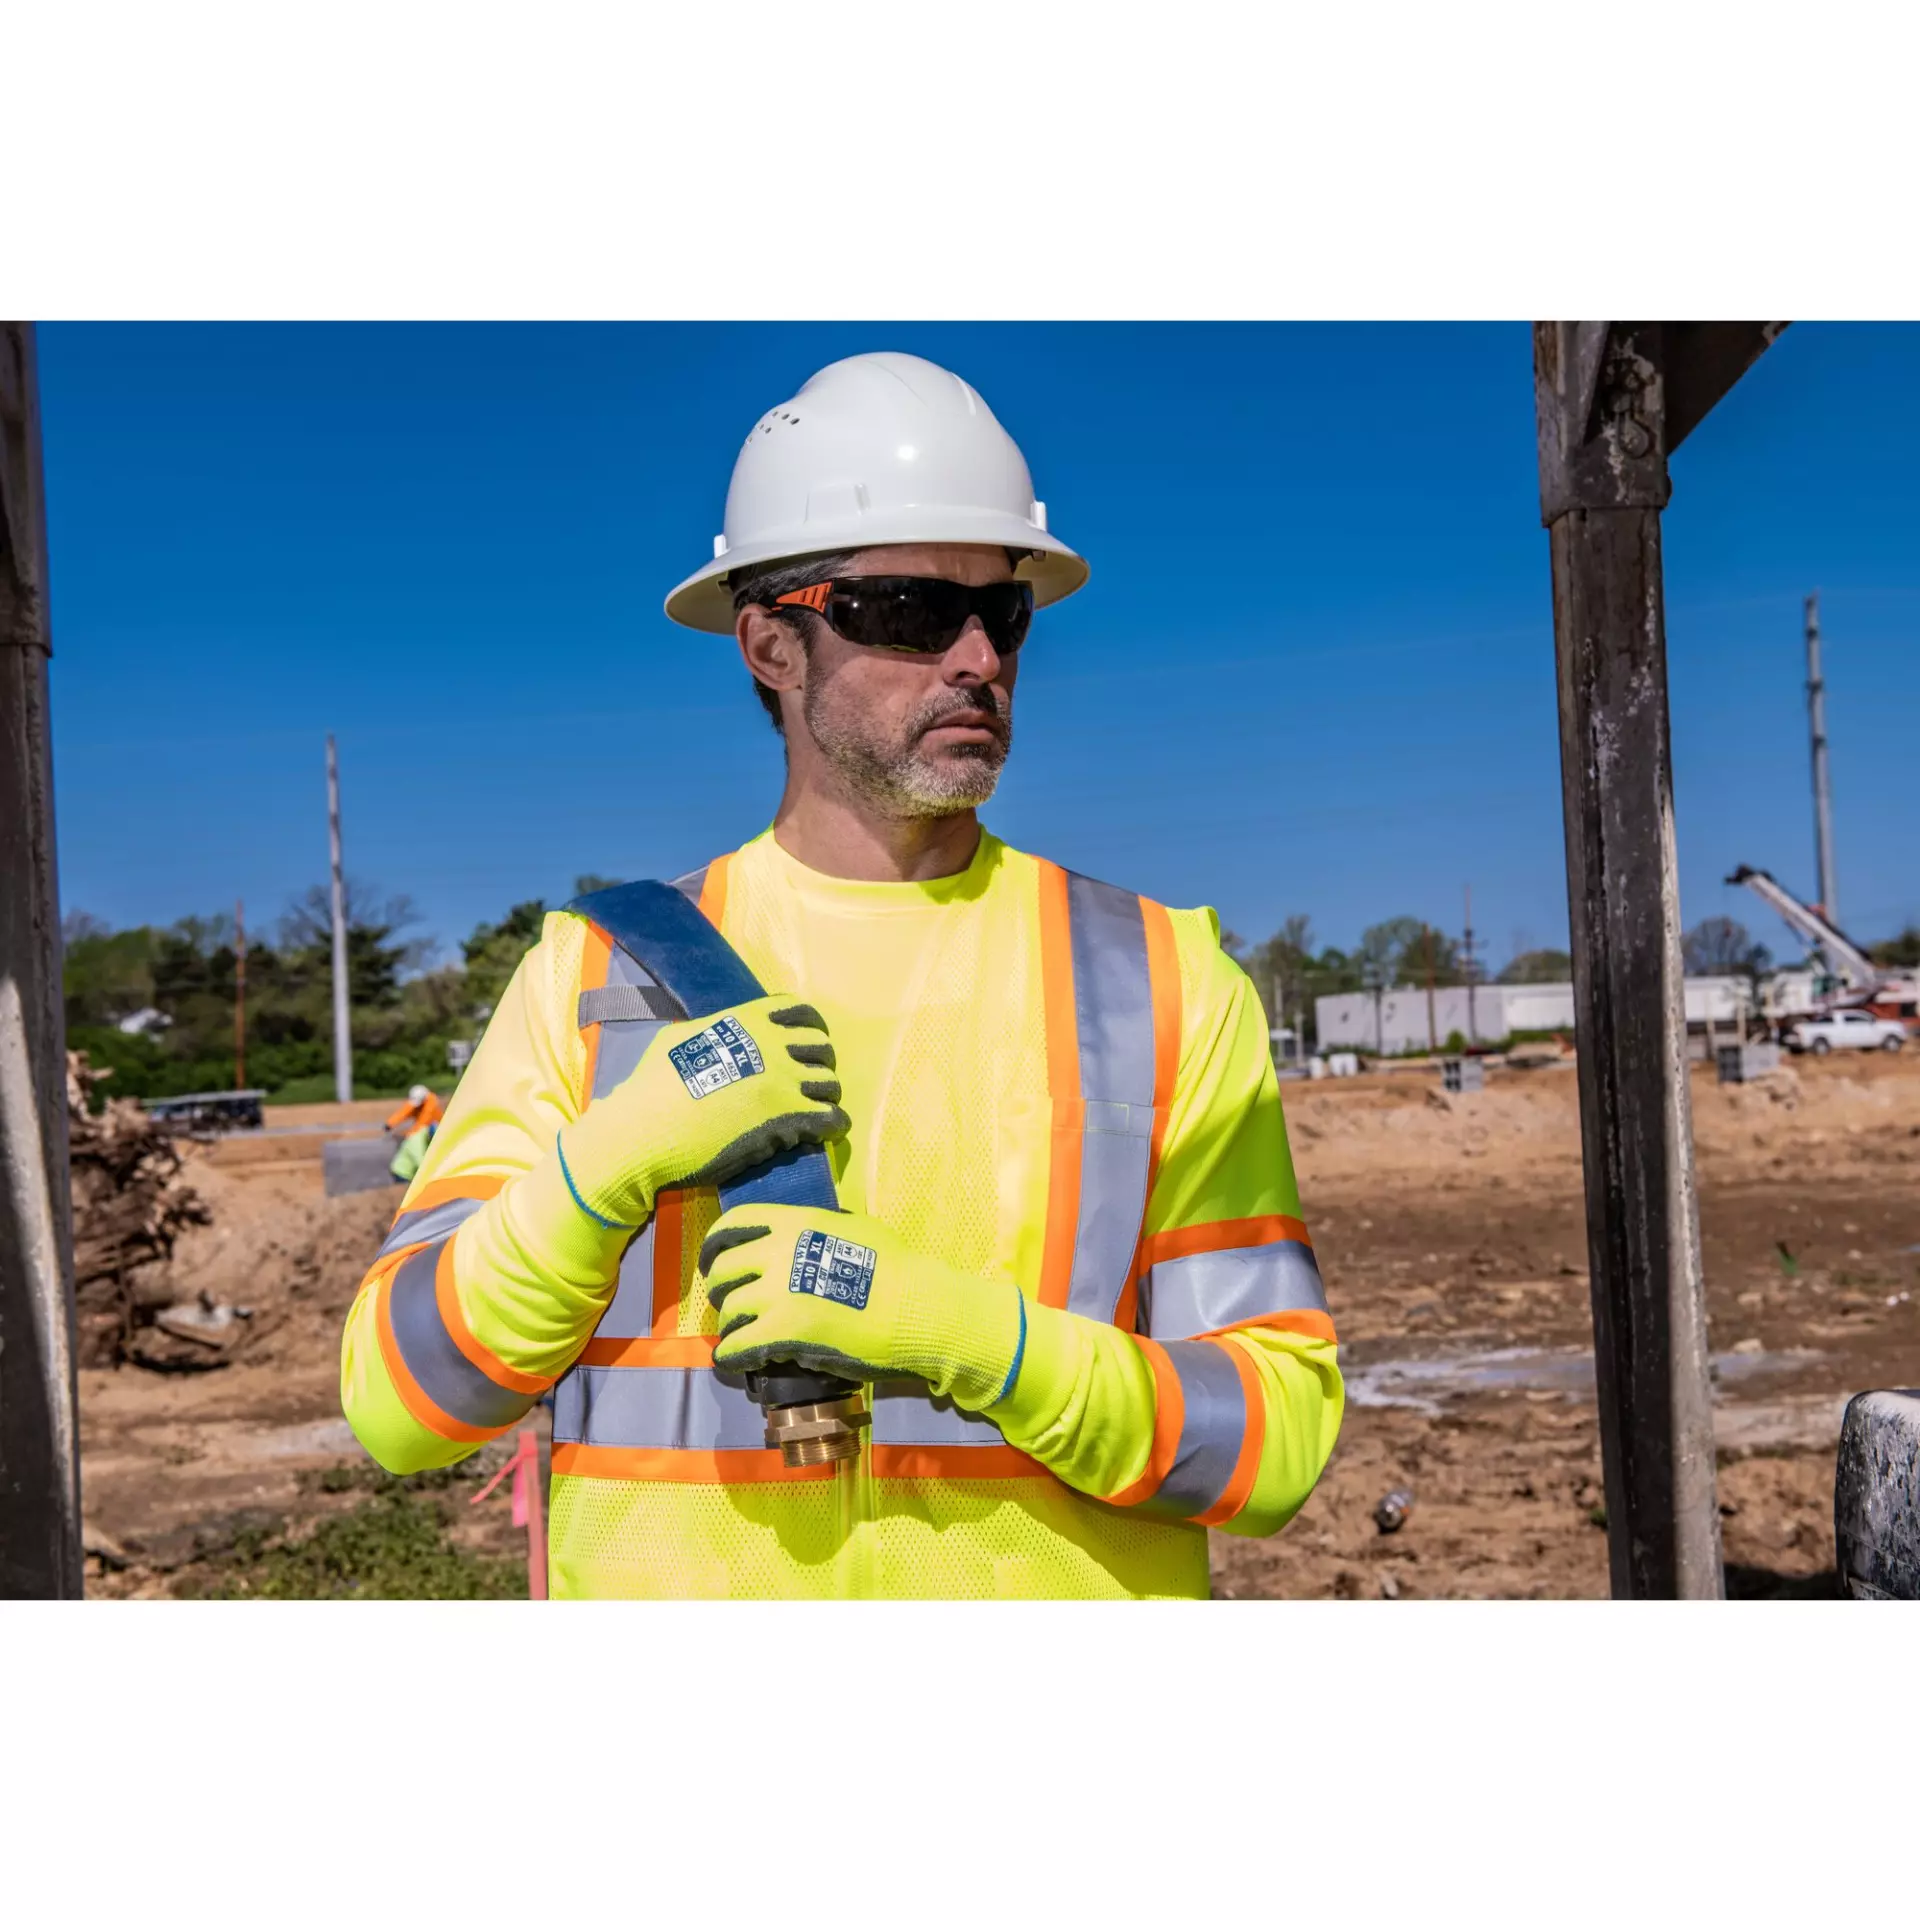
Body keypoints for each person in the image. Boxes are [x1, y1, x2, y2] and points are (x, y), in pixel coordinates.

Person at [340, 351, 1343, 1597]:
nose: (976, 658)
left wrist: (967, 1336)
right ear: (771, 644)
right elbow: (399, 1404)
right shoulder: (595, 976)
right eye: (910, 610)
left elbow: (1272, 1442)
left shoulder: (1158, 980)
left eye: (1004, 612)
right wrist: (607, 1168)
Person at [383, 1083, 443, 1184]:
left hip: (434, 1130)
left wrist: (411, 1135)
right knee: (419, 1152)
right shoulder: (417, 1099)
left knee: (429, 1153)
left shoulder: (431, 1103)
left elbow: (423, 1121)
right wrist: (390, 1123)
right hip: (422, 1133)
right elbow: (404, 1111)